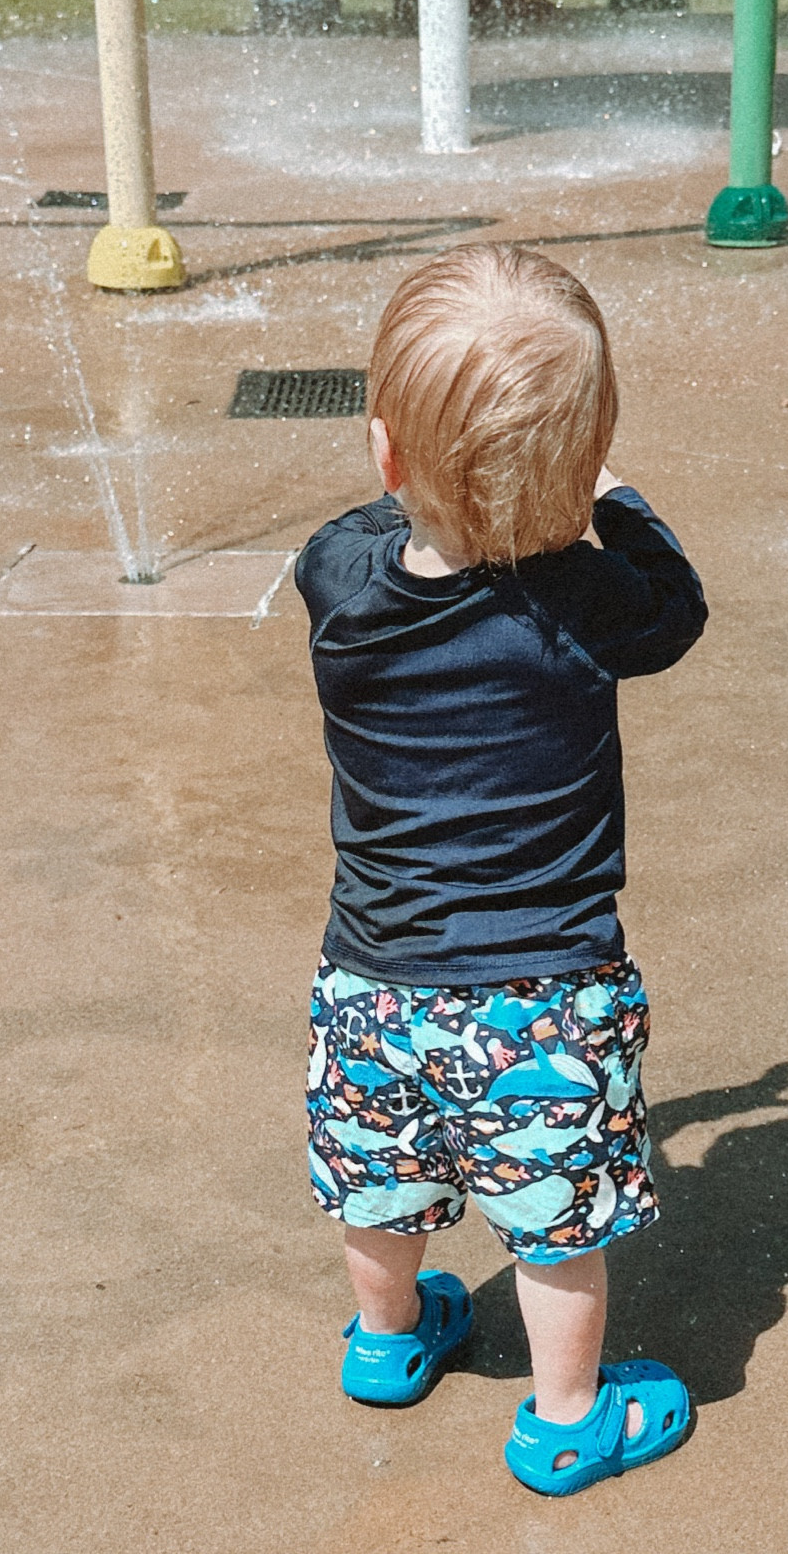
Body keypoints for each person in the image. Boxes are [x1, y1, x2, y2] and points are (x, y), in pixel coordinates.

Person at [296, 242, 707, 1497]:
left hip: (372, 985)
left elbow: (384, 525)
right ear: (580, 468)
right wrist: (612, 500)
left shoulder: (339, 579)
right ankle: (567, 1416)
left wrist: (447, 480)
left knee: (383, 1183)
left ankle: (386, 1341)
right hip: (547, 999)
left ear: (385, 455)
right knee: (554, 1222)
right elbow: (676, 605)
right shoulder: (587, 602)